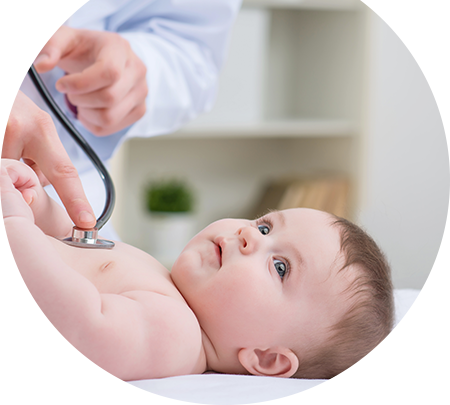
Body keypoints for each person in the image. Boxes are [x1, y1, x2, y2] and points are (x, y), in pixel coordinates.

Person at [0, 158, 394, 381]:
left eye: (280, 267)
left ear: (267, 359)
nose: (248, 236)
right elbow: (70, 248)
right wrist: (35, 202)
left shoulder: (178, 338)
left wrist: (14, 225)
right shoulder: (161, 277)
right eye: (264, 226)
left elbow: (73, 327)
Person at [0, 0, 256, 237]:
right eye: (264, 228)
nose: (249, 239)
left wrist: (132, 72)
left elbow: (194, 51)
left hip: (54, 184)